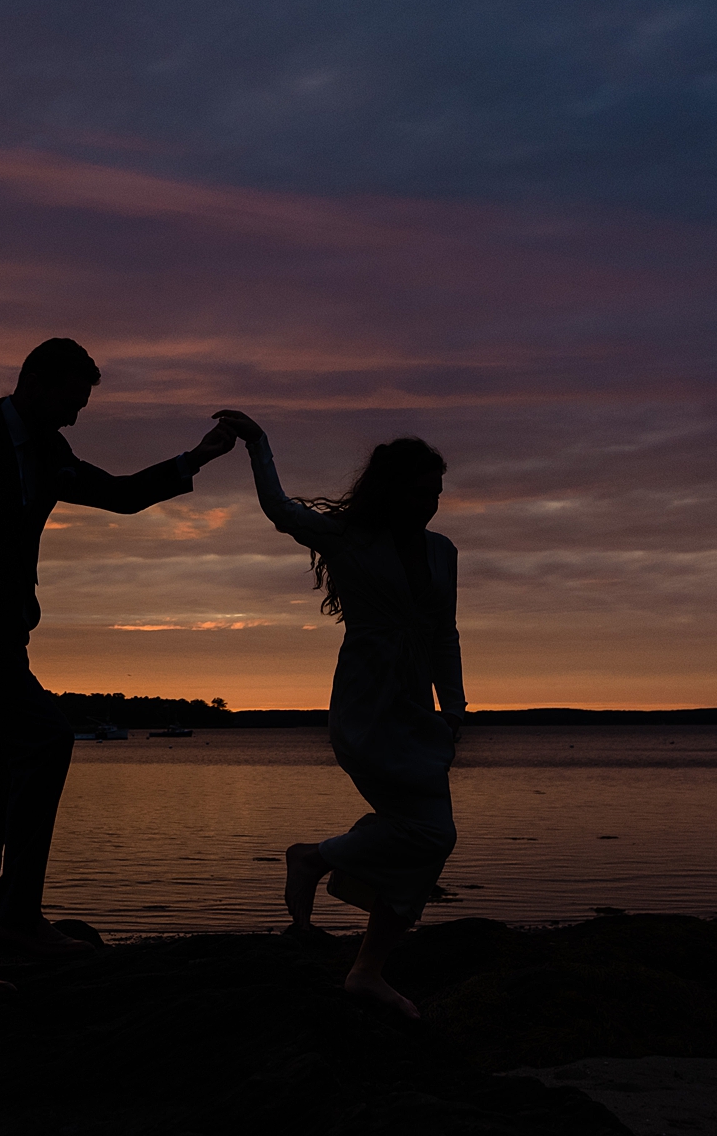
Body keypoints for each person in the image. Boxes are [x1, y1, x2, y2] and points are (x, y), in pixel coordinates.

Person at [0, 338, 237, 990]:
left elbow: (123, 495)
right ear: (39, 382)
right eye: (74, 400)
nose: (78, 415)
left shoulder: (49, 454)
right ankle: (15, 918)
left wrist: (201, 456)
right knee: (46, 739)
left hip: (2, 639)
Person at [215, 410, 464, 1019]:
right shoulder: (348, 537)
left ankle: (367, 969)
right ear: (392, 489)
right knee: (430, 831)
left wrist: (454, 705)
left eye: (437, 493)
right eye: (420, 491)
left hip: (417, 710)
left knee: (427, 841)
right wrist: (258, 441)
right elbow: (279, 510)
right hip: (366, 705)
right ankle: (317, 858)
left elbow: (443, 632)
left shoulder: (442, 551)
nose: (430, 504)